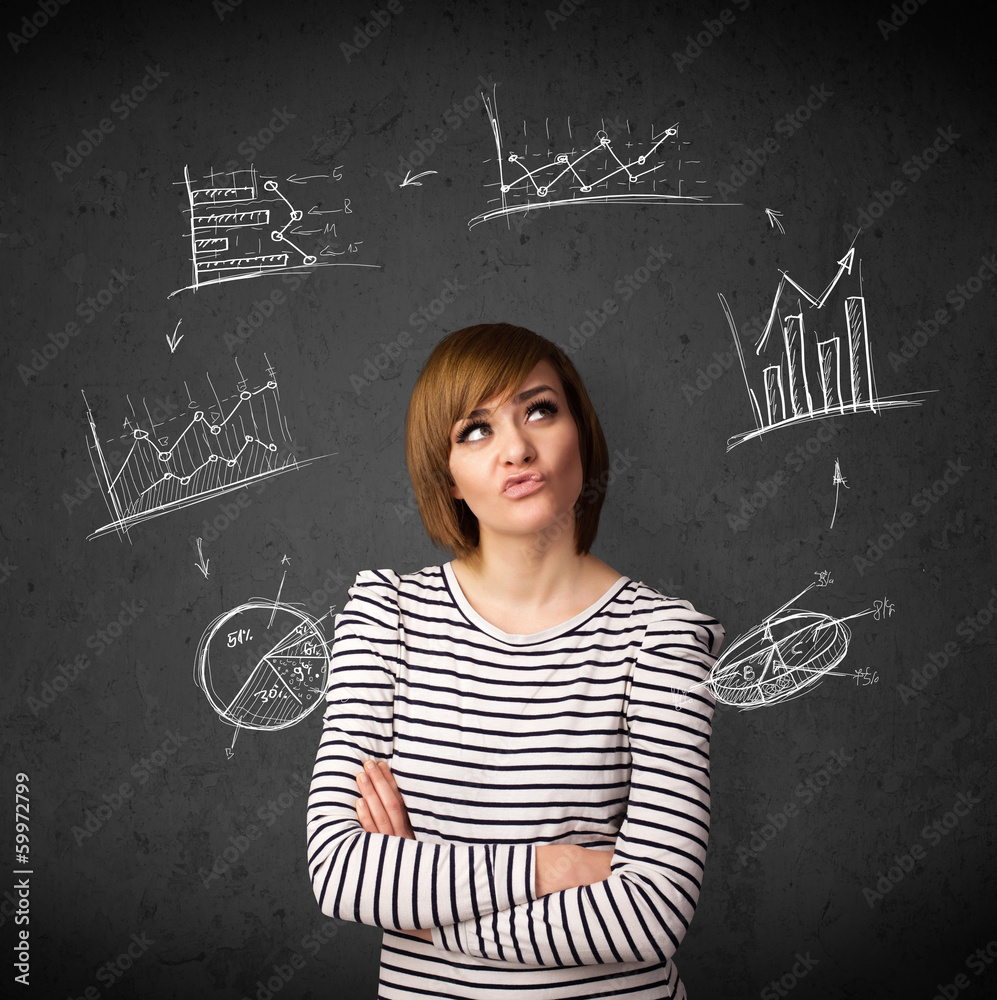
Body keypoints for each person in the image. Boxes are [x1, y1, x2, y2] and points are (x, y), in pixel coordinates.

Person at [306, 322, 723, 999]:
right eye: (475, 430)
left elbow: (651, 914)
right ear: (446, 480)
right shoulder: (384, 617)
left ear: (578, 435)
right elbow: (341, 871)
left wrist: (426, 918)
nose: (517, 449)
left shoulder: (662, 638)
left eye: (539, 409)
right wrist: (554, 867)